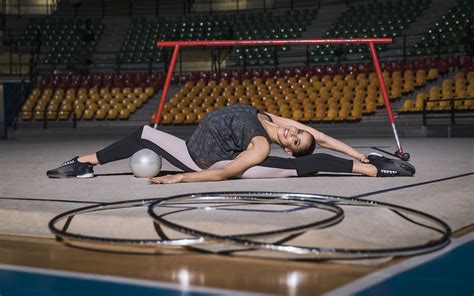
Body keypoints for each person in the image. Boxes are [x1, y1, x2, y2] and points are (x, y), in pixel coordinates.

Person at [46, 104, 415, 183]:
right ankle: (84, 162)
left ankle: (372, 170)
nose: (295, 134)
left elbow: (228, 174)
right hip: (191, 145)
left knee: (303, 166)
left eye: (296, 139)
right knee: (144, 133)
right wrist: (356, 149)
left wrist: (180, 180)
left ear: (288, 145)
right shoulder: (272, 121)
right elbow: (320, 136)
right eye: (297, 132)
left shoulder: (260, 145)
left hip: (201, 161)